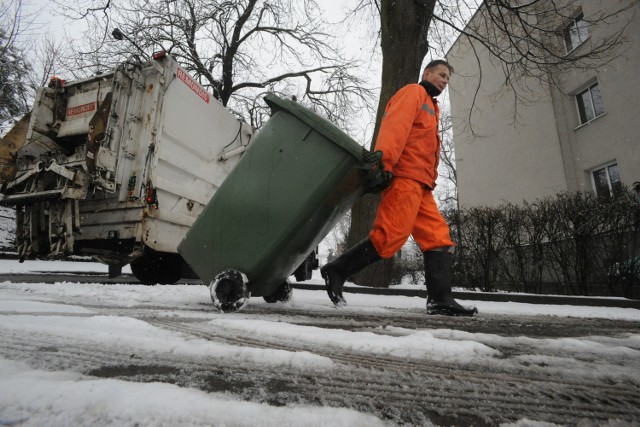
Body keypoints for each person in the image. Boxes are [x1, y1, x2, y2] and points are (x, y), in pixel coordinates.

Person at [321, 59, 478, 317]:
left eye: (447, 78)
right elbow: (396, 127)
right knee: (389, 238)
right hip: (405, 179)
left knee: (438, 239)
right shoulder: (413, 93)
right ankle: (337, 269)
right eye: (441, 74)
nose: (444, 80)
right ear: (426, 73)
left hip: (422, 185)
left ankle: (440, 299)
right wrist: (385, 164)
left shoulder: (432, 106)